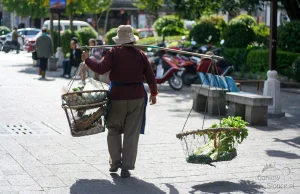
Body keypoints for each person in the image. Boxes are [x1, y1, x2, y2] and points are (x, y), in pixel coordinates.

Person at [81, 25, 158, 178]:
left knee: (113, 129)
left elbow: (100, 69)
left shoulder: (114, 53)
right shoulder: (141, 54)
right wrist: (154, 93)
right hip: (137, 97)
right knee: (131, 133)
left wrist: (86, 60)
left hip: (117, 97)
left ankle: (115, 162)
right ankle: (126, 167)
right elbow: (150, 75)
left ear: (119, 40)